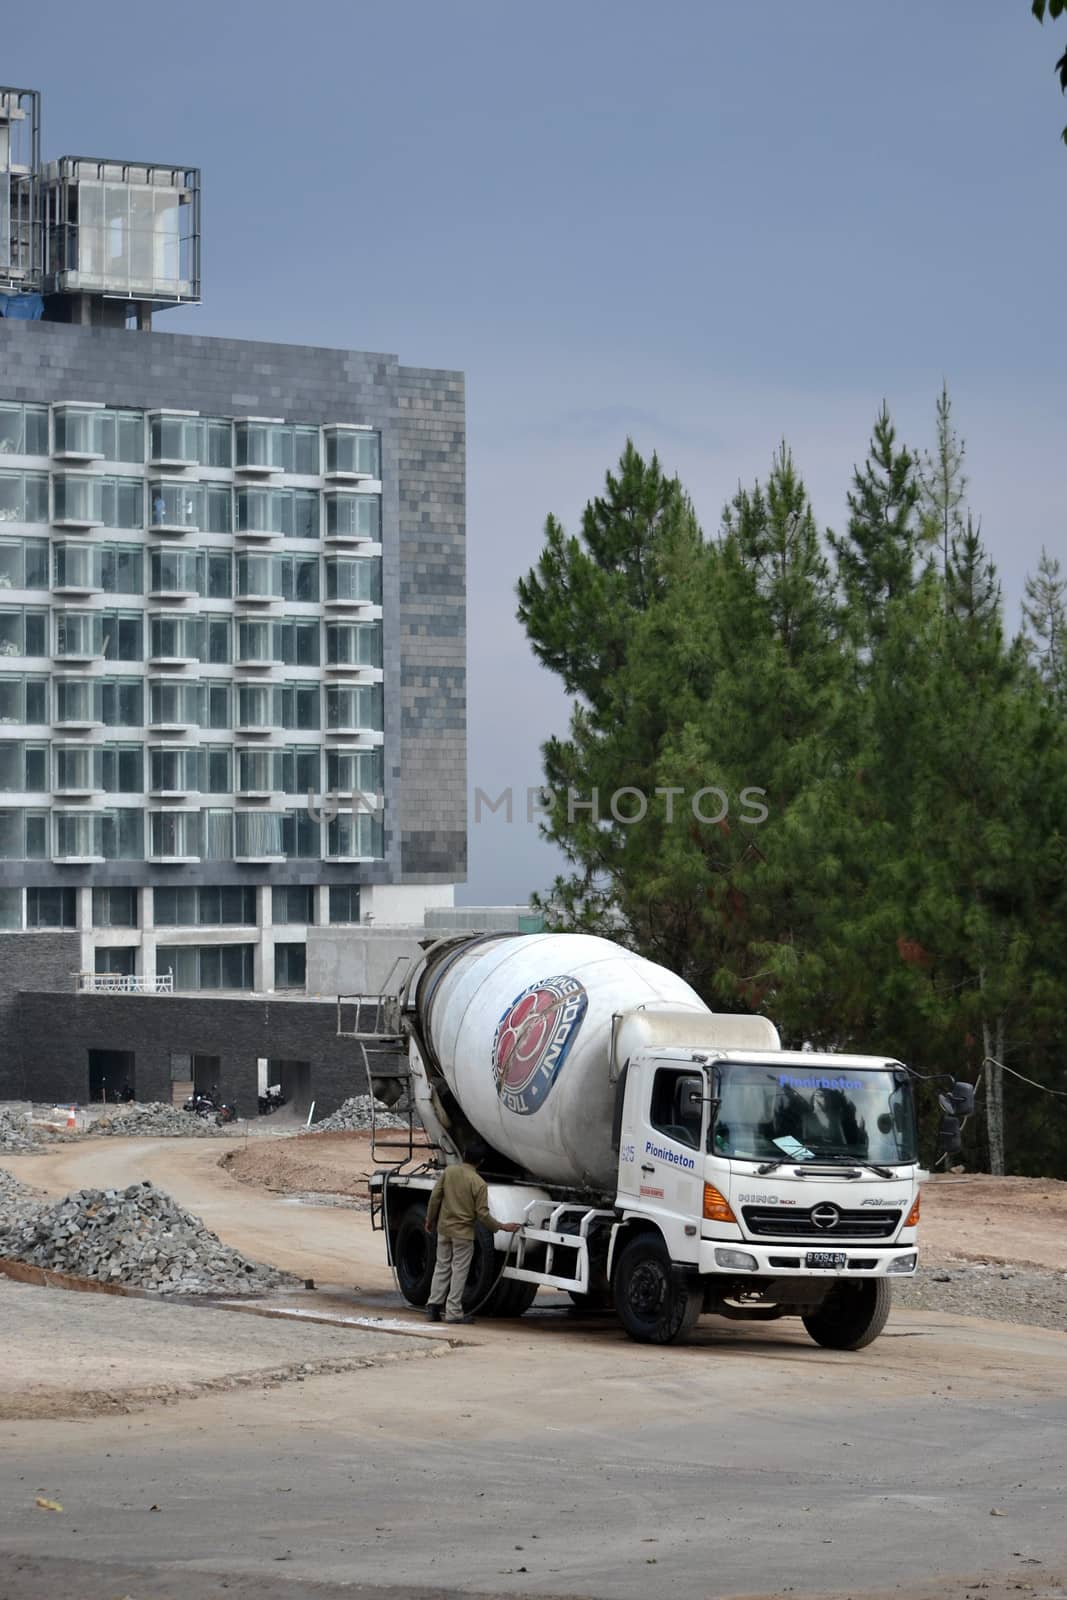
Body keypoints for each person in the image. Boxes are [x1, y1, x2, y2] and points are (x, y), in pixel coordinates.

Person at [424, 1140, 520, 1325]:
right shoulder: (479, 1183)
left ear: (465, 1155)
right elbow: (482, 1215)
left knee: (442, 1266)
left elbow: (435, 1197)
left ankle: (433, 1307)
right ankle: (453, 1312)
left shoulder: (449, 1172)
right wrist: (502, 1226)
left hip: (444, 1230)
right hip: (463, 1235)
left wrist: (430, 1219)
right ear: (481, 1162)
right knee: (459, 1271)